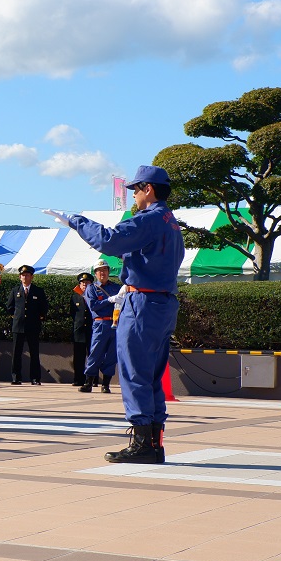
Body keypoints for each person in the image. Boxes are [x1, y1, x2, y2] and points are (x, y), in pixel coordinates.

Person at [47, 164, 185, 464]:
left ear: (148, 189)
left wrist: (75, 221)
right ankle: (154, 442)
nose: (133, 195)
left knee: (134, 372)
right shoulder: (170, 222)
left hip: (143, 305)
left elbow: (109, 240)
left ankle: (141, 444)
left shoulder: (148, 219)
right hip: (162, 303)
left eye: (135, 189)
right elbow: (146, 254)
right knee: (151, 376)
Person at [81, 259, 121, 393]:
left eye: (104, 270)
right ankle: (88, 382)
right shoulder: (91, 288)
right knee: (95, 353)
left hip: (115, 323)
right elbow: (93, 306)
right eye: (99, 271)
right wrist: (109, 300)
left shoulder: (115, 287)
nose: (102, 273)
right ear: (95, 273)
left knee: (111, 354)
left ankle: (106, 384)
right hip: (100, 323)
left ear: (108, 272)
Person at [6, 264, 48, 385]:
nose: (25, 277)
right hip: (18, 326)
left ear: (32, 277)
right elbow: (10, 307)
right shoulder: (15, 291)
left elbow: (44, 308)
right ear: (20, 277)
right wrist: (15, 317)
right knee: (16, 353)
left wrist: (38, 317)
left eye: (27, 275)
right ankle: (16, 377)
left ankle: (35, 378)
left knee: (34, 353)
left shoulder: (38, 291)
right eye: (23, 275)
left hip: (33, 326)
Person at [69, 271, 94, 385]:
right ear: (79, 285)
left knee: (92, 356)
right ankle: (78, 379)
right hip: (79, 330)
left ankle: (92, 380)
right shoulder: (75, 297)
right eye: (82, 283)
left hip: (92, 330)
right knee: (78, 357)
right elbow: (72, 313)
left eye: (87, 283)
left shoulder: (95, 296)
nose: (85, 285)